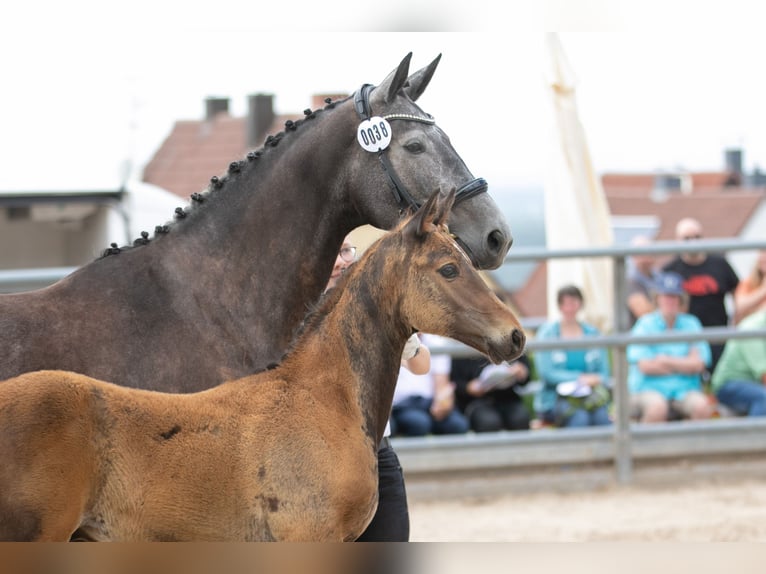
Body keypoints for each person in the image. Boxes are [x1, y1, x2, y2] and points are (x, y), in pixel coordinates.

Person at [325, 235, 429, 541]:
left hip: (375, 449)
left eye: (346, 250)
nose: (341, 260)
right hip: (324, 455)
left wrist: (406, 338)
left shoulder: (374, 303)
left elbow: (422, 365)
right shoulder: (298, 308)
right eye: (334, 252)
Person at [627, 271, 714, 423]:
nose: (670, 301)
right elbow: (645, 366)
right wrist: (683, 364)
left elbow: (699, 364)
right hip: (648, 388)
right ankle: (645, 447)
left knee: (702, 406)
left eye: (674, 297)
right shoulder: (645, 324)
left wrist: (665, 360)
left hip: (684, 390)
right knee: (657, 407)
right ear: (657, 299)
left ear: (681, 300)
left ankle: (691, 447)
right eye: (666, 296)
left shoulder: (691, 323)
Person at [662, 217, 739, 371]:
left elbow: (738, 293)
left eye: (697, 237)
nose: (693, 242)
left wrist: (736, 321)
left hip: (719, 334)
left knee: (719, 380)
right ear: (677, 241)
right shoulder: (670, 270)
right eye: (687, 238)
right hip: (686, 340)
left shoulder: (719, 264)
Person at [534, 285, 612, 428]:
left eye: (573, 303)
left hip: (591, 396)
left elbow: (604, 373)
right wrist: (580, 378)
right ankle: (576, 451)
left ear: (580, 305)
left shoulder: (593, 333)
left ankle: (605, 451)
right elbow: (547, 373)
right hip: (555, 399)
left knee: (602, 418)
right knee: (579, 418)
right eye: (566, 304)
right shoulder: (547, 334)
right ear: (559, 306)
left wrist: (594, 380)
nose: (570, 308)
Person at [390, 333, 469, 437]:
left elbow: (441, 382)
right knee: (419, 423)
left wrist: (442, 403)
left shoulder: (436, 342)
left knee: (458, 424)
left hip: (428, 403)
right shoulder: (392, 338)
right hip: (401, 404)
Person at [451, 354, 532, 432]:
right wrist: (467, 388)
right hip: (476, 401)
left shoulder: (508, 341)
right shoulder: (466, 344)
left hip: (507, 397)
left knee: (521, 418)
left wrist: (522, 371)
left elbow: (524, 372)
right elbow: (454, 382)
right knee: (489, 422)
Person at [710, 309, 766, 417]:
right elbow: (764, 375)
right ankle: (755, 433)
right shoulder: (753, 328)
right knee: (763, 397)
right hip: (728, 384)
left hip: (752, 383)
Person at [626, 234, 659, 328]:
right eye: (641, 254)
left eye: (649, 253)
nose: (646, 258)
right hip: (640, 336)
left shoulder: (658, 276)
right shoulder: (630, 281)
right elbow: (644, 313)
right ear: (633, 256)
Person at [733, 249, 766, 325]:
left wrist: (752, 310)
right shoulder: (748, 283)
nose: (764, 257)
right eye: (762, 254)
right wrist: (763, 290)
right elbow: (740, 308)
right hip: (752, 332)